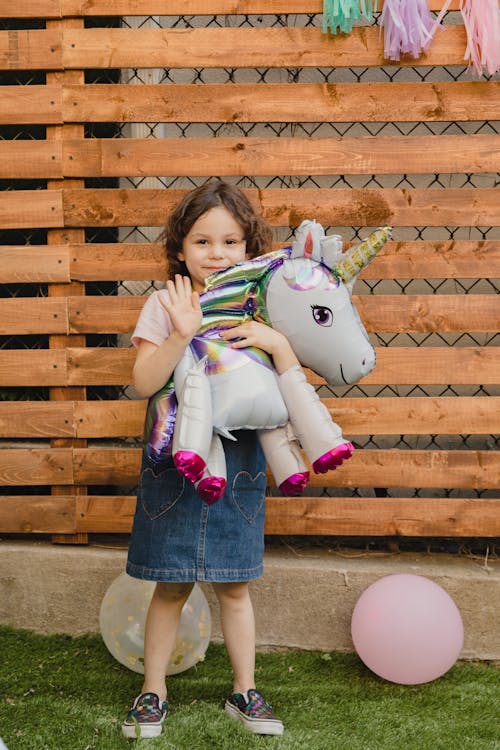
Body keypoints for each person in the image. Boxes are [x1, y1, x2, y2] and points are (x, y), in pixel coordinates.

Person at [121, 179, 299, 739]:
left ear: (249, 248)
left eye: (230, 241)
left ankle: (244, 690)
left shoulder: (262, 307)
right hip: (176, 460)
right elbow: (141, 383)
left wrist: (276, 341)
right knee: (170, 585)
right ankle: (152, 691)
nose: (216, 254)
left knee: (235, 586)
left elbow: (289, 383)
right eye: (202, 241)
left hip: (241, 459)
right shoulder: (165, 304)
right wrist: (181, 333)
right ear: (180, 247)